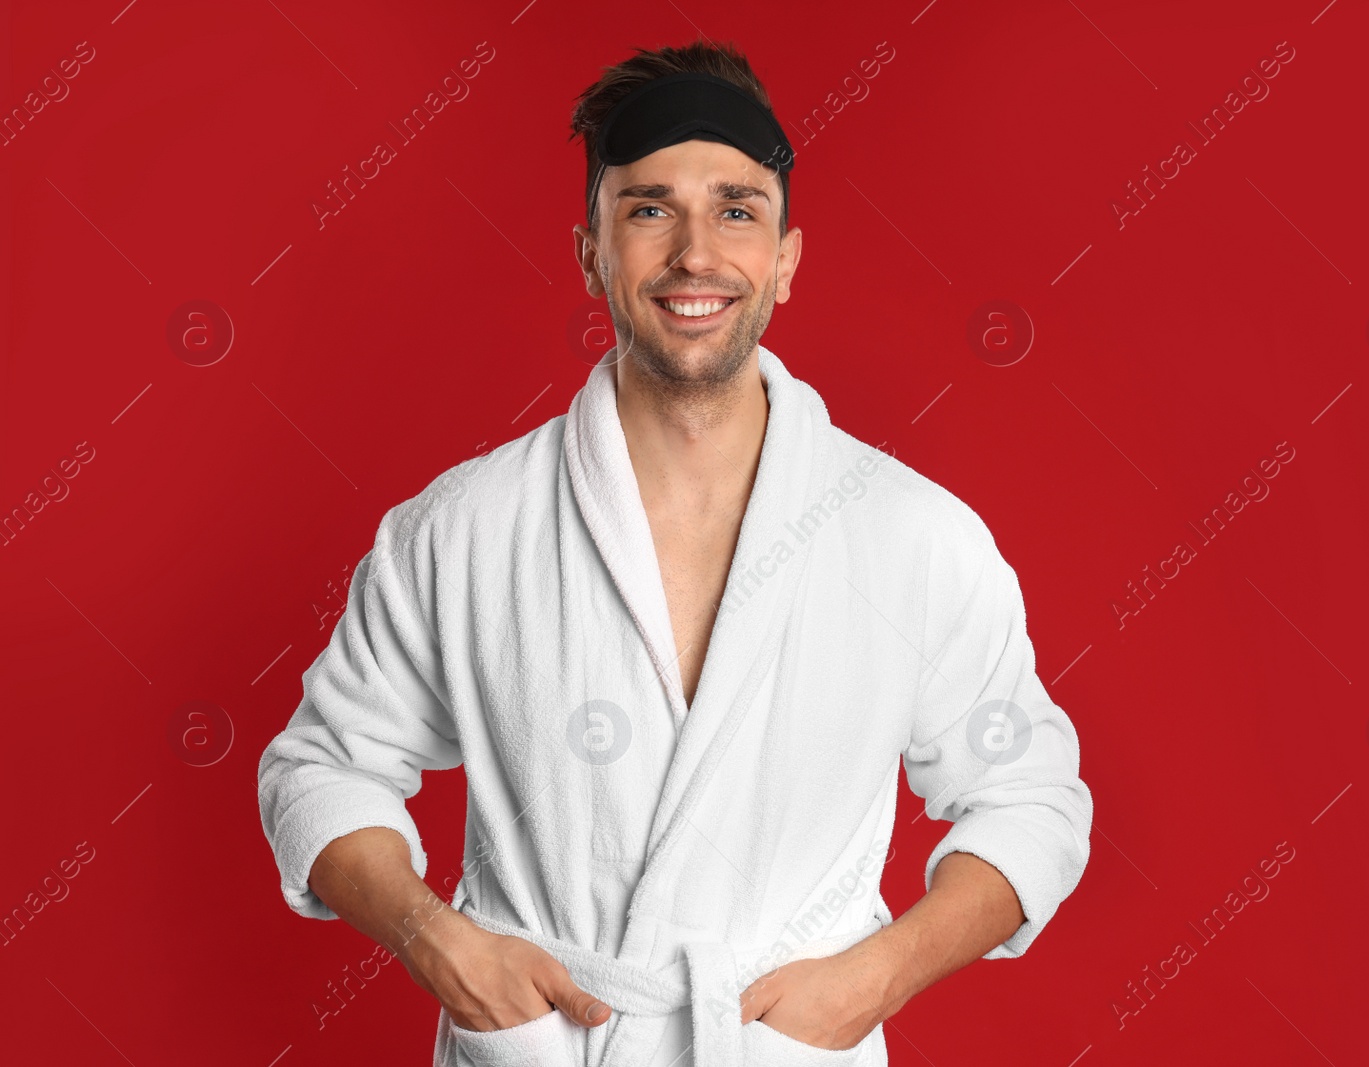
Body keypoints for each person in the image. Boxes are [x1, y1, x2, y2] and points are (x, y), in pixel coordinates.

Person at [256, 39, 1092, 1067]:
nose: (696, 253)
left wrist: (875, 976)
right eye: (649, 208)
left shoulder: (910, 534)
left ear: (784, 258)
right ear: (591, 250)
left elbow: (1032, 799)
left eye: (736, 209)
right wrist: (437, 939)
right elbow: (320, 767)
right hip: (557, 1043)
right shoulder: (462, 528)